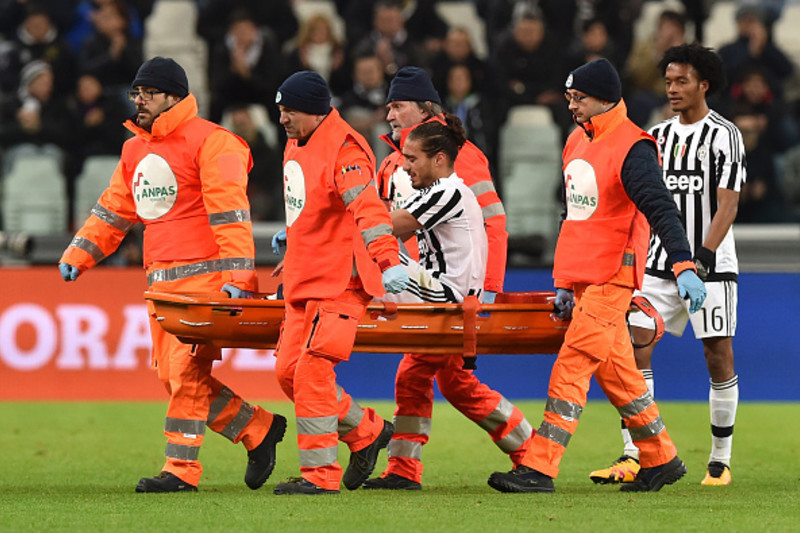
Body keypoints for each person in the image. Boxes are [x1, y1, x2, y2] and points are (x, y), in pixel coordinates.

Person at [57, 56, 287, 493]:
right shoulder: (134, 149)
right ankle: (258, 429)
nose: (138, 101)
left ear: (174, 97)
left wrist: (240, 274)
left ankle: (180, 471)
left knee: (183, 373)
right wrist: (80, 253)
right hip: (161, 286)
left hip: (206, 284)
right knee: (174, 375)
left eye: (148, 93)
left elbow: (231, 214)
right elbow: (114, 210)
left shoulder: (213, 142)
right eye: (136, 93)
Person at [487, 58, 707, 494]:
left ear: (604, 98)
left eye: (579, 98)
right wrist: (565, 282)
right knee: (619, 376)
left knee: (571, 365)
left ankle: (539, 467)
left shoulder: (632, 146)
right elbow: (577, 219)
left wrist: (683, 264)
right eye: (569, 97)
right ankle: (661, 458)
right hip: (587, 278)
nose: (572, 106)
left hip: (612, 276)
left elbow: (661, 208)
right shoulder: (576, 142)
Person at [363, 66, 534, 490]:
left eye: (398, 104)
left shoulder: (458, 157)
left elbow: (493, 223)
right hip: (423, 285)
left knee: (428, 374)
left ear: (424, 108)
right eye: (388, 105)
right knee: (446, 379)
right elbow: (374, 224)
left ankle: (531, 452)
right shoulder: (393, 163)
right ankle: (529, 451)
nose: (389, 113)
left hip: (443, 291)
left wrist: (489, 289)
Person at [588, 44, 746, 487]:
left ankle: (719, 460)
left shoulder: (725, 135)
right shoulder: (655, 136)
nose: (672, 88)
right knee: (633, 348)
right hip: (657, 265)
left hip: (710, 267)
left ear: (704, 85)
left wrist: (701, 260)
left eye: (681, 81)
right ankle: (635, 454)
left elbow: (727, 205)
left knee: (717, 354)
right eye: (668, 81)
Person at [269, 70, 410, 495]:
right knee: (288, 373)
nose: (283, 120)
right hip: (305, 277)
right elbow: (308, 207)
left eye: (289, 111)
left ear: (313, 111)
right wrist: (292, 240)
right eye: (280, 111)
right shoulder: (299, 142)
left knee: (311, 372)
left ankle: (320, 475)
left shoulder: (345, 149)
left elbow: (368, 211)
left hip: (340, 281)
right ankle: (367, 432)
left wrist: (387, 261)